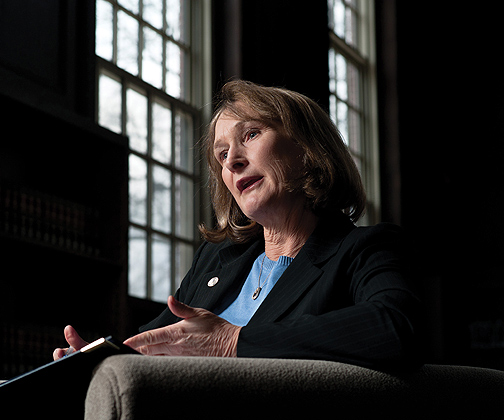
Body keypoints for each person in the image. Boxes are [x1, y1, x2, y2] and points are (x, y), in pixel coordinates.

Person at [54, 80, 425, 372]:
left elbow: (397, 328)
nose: (231, 160)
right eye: (221, 153)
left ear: (307, 148)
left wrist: (233, 342)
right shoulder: (216, 259)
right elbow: (154, 341)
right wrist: (97, 361)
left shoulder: (365, 249)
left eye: (250, 135)